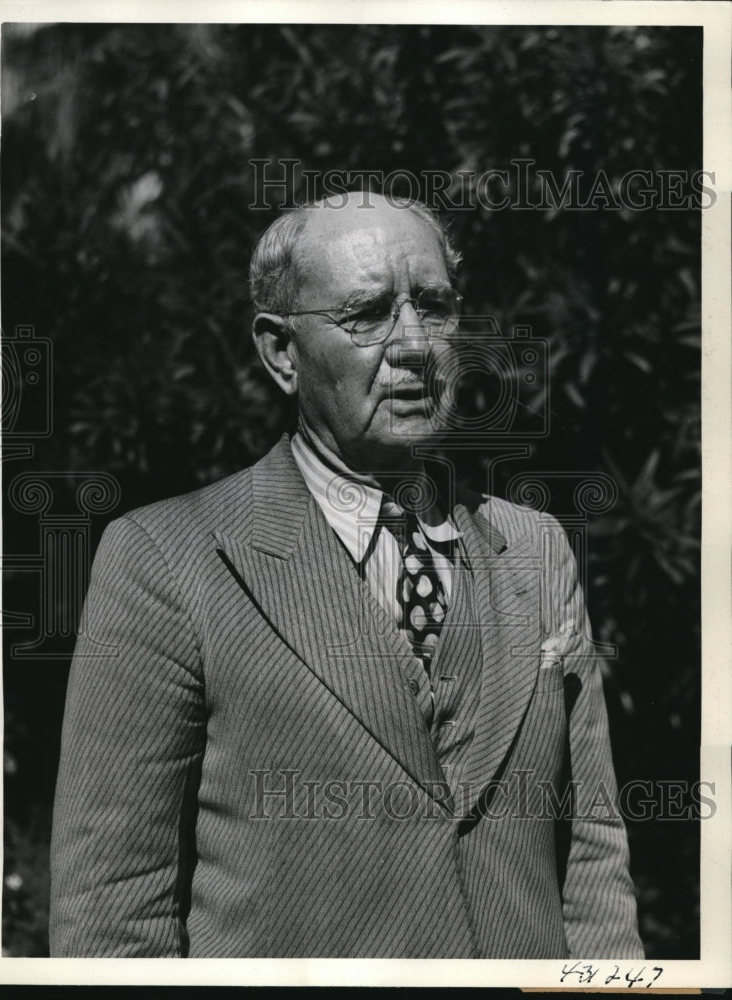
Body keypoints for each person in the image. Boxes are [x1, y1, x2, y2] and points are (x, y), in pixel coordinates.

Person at [49, 191, 643, 959]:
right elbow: (112, 909)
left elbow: (591, 858)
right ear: (280, 352)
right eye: (366, 315)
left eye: (433, 306)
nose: (415, 344)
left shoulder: (534, 548)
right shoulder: (165, 560)